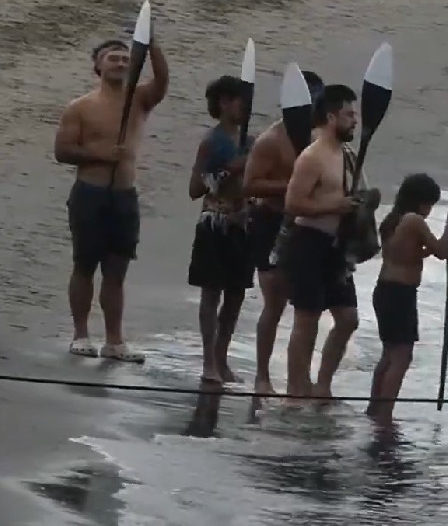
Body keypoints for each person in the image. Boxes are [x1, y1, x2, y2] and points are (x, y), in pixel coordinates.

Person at [53, 37, 169, 362]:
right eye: (113, 59)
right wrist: (101, 154)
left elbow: (162, 81)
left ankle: (114, 341)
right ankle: (80, 334)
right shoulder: (81, 107)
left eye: (124, 59)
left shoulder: (140, 99)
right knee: (85, 264)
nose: (119, 63)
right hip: (90, 193)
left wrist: (151, 44)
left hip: (124, 194)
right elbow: (62, 151)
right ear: (98, 66)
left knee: (117, 270)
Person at [280, 84, 363, 403]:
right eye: (348, 114)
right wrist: (334, 207)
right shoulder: (312, 157)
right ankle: (295, 389)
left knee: (348, 319)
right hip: (308, 243)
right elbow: (292, 204)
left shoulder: (347, 155)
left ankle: (323, 385)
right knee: (307, 319)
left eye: (355, 114)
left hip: (336, 247)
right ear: (331, 116)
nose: (354, 121)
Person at [243, 71, 324, 395]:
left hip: (306, 226)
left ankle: (300, 377)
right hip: (270, 221)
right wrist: (293, 186)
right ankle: (262, 375)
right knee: (274, 303)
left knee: (307, 306)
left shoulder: (321, 138)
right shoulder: (271, 140)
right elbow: (250, 185)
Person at [366, 173, 448, 422]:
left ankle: (375, 408)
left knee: (389, 354)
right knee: (401, 356)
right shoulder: (413, 221)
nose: (429, 211)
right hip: (400, 294)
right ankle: (385, 413)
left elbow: (408, 254)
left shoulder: (393, 220)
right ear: (420, 202)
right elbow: (442, 251)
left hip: (385, 289)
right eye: (429, 204)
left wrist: (427, 250)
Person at [186, 76, 255, 385]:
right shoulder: (212, 142)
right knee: (211, 292)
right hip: (214, 224)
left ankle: (222, 357)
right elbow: (195, 189)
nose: (245, 107)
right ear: (224, 103)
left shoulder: (250, 141)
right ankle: (208, 361)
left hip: (241, 225)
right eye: (240, 100)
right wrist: (230, 169)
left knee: (236, 295)